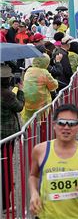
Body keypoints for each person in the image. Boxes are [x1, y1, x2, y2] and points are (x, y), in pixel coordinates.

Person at [29, 104, 78, 218]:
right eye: (61, 122)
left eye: (72, 124)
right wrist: (34, 193)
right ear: (54, 125)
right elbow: (33, 176)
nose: (66, 127)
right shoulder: (40, 150)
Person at [1, 64, 24, 212]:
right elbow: (19, 107)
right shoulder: (7, 95)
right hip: (7, 135)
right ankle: (5, 204)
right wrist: (20, 91)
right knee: (6, 168)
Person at [21, 53, 58, 123]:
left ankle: (28, 130)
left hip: (27, 100)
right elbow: (53, 85)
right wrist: (55, 81)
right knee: (42, 118)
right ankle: (41, 129)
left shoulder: (29, 70)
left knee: (28, 118)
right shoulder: (44, 72)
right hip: (40, 102)